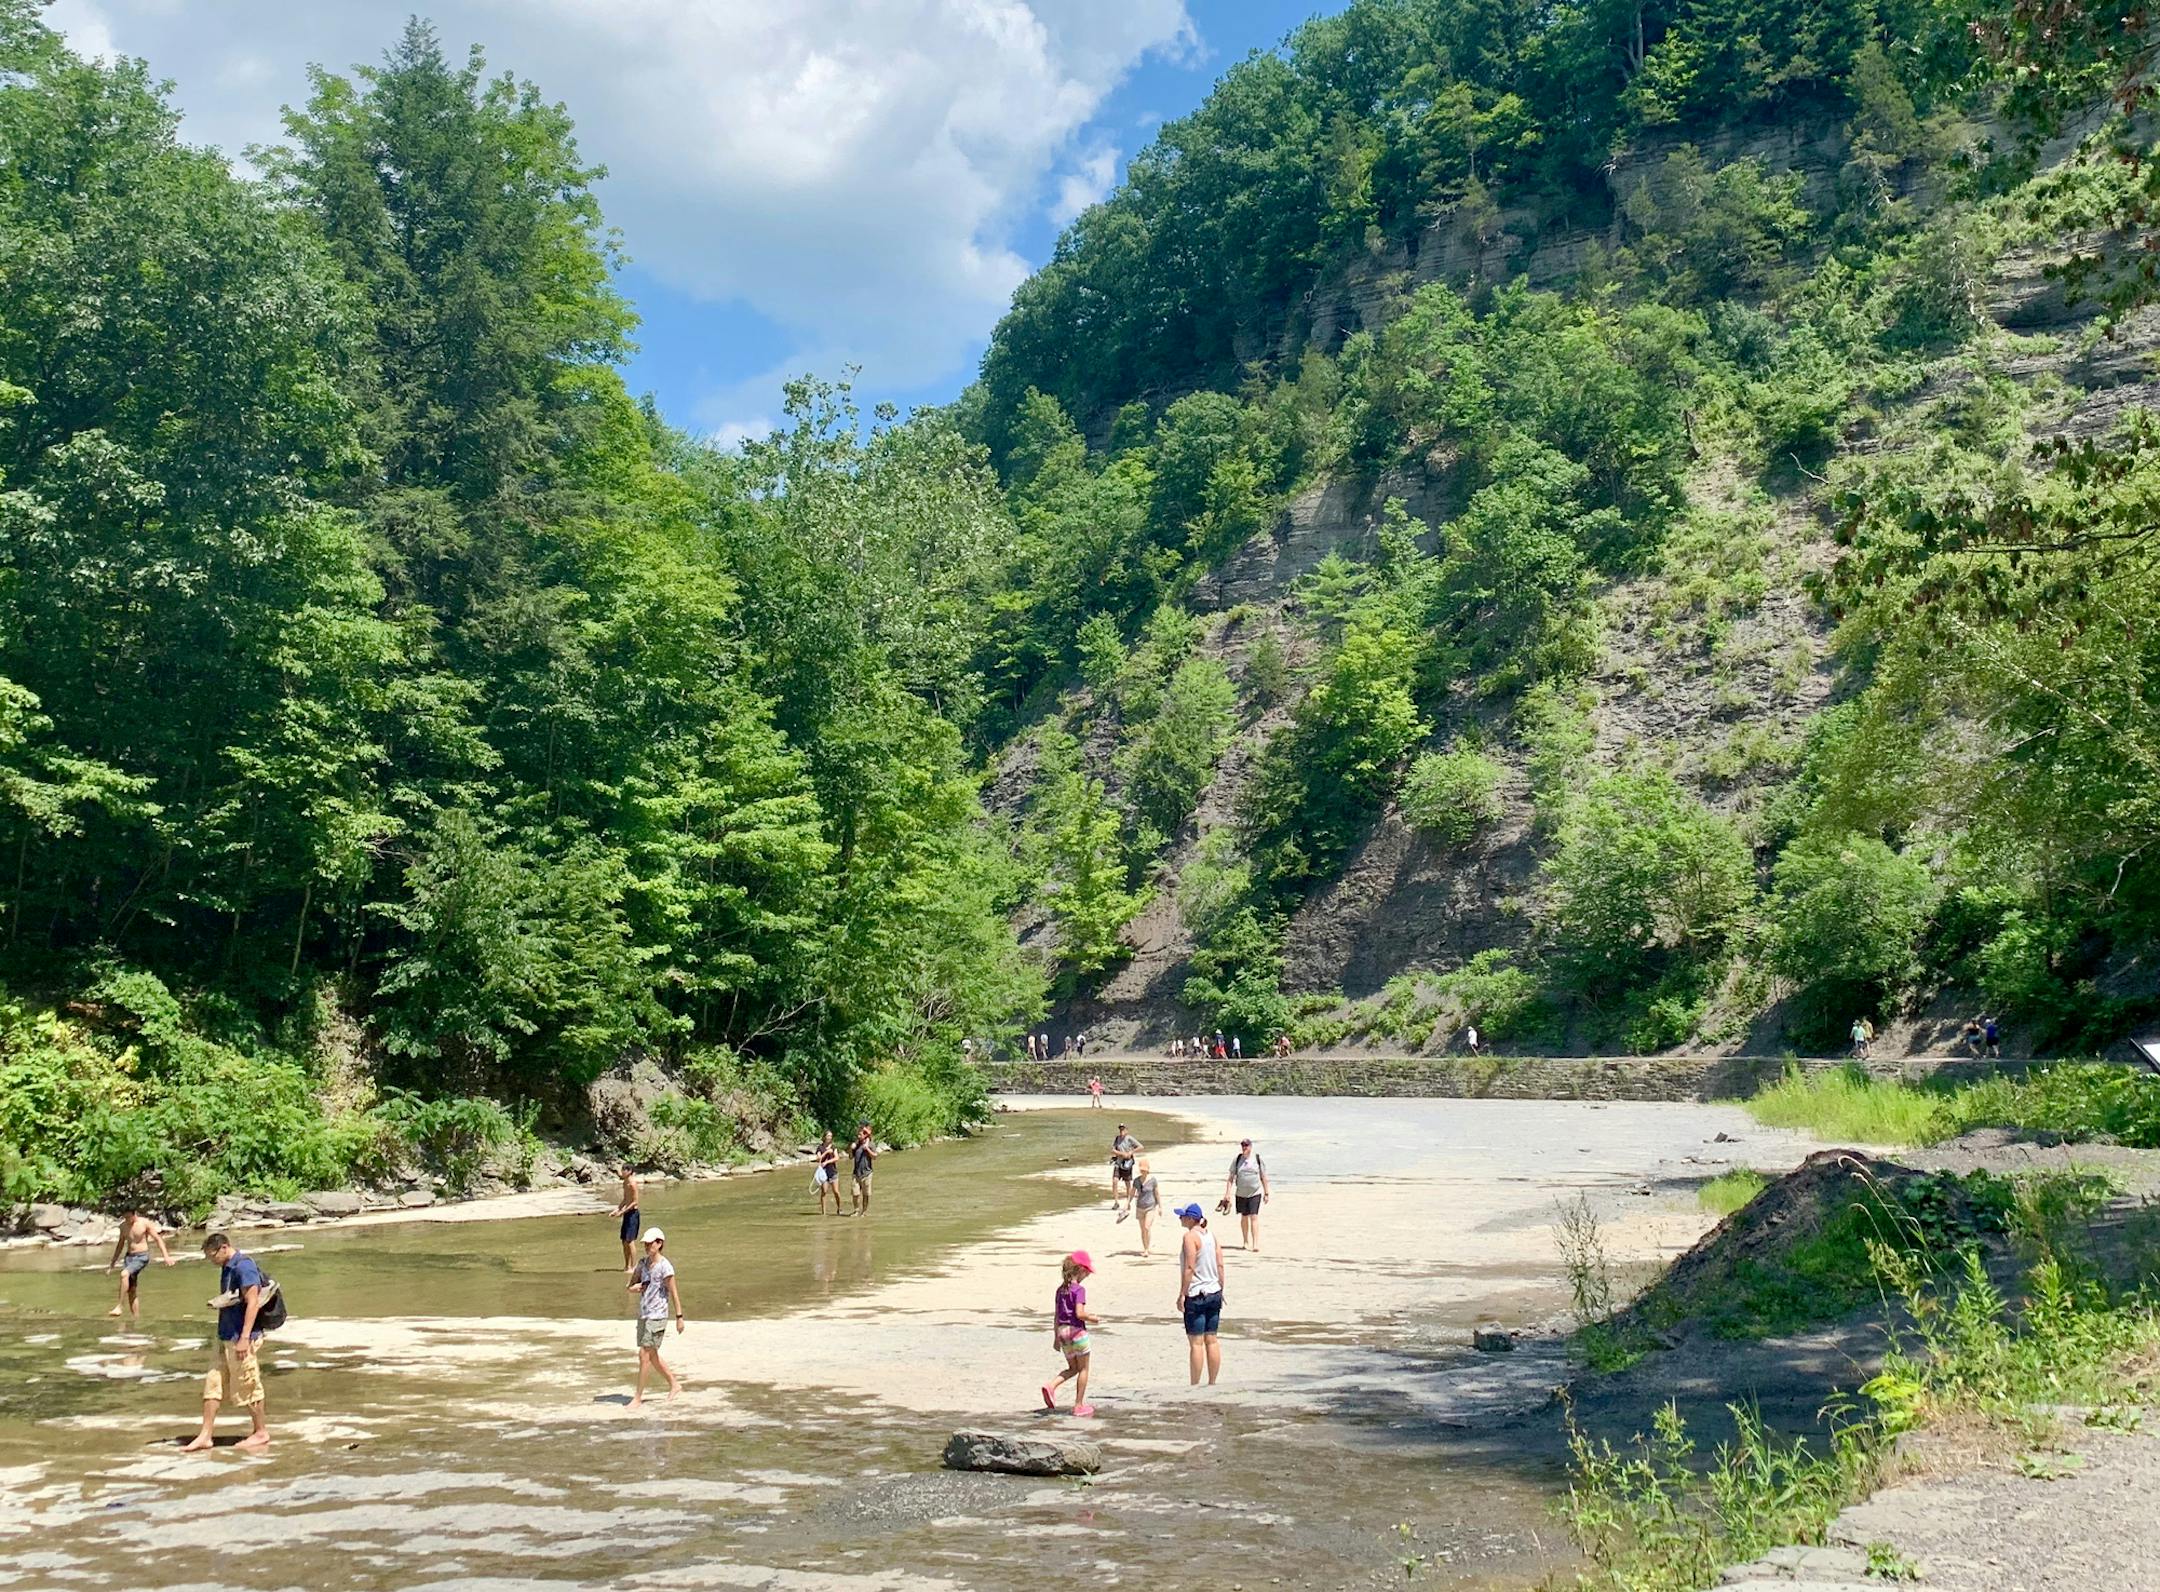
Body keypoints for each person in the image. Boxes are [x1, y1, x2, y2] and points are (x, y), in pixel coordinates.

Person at [183, 1233, 270, 1453]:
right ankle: (205, 1435)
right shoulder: (228, 1266)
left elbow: (253, 1303)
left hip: (242, 1337)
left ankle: (261, 1432)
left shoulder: (244, 1267)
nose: (211, 1260)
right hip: (225, 1334)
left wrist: (244, 1338)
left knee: (247, 1383)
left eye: (212, 1255)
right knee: (213, 1382)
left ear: (223, 1248)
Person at [627, 1228, 685, 1405]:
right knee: (651, 1356)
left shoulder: (665, 1266)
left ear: (659, 1244)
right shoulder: (643, 1264)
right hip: (644, 1314)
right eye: (645, 1243)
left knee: (644, 1354)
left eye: (650, 1243)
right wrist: (634, 1288)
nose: (646, 1246)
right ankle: (674, 1384)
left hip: (658, 1316)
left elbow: (674, 1292)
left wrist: (679, 1317)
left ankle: (637, 1397)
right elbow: (630, 1285)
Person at [1041, 1250, 1097, 1417]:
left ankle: (1051, 1386)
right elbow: (1079, 1313)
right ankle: (1079, 1405)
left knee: (1072, 1368)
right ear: (1080, 1270)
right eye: (1087, 1272)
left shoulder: (1060, 1290)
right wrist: (1092, 1317)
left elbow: (1057, 1315)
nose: (1087, 1275)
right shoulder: (1079, 1290)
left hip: (1063, 1332)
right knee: (1084, 1369)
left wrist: (1056, 1338)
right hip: (1077, 1332)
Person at [1174, 1204, 1224, 1386]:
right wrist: (1221, 1288)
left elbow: (1189, 1267)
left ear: (1190, 1219)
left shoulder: (1190, 1237)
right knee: (1212, 1339)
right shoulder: (1211, 1236)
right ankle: (1212, 1382)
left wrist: (1182, 1293)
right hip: (1214, 1291)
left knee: (1196, 1343)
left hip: (1197, 1293)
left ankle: (1194, 1384)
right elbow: (1220, 1265)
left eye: (1182, 1216)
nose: (1180, 1219)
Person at [107, 1209, 173, 1319]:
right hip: (129, 1257)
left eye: (129, 1217)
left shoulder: (144, 1223)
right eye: (125, 1218)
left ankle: (119, 1306)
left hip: (142, 1256)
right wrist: (112, 1263)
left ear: (134, 1214)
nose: (127, 1220)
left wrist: (166, 1256)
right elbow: (120, 1245)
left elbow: (158, 1239)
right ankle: (135, 1319)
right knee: (131, 1290)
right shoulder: (123, 1226)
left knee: (124, 1274)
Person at [1221, 1137, 1270, 1251]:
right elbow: (1230, 1178)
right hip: (1241, 1193)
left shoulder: (1257, 1159)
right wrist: (1227, 1194)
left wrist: (1266, 1193)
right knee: (1244, 1217)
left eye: (1246, 1146)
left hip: (1255, 1192)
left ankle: (1255, 1244)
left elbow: (1263, 1177)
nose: (1244, 1147)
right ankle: (1245, 1241)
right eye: (1243, 1145)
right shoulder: (1237, 1160)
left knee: (1254, 1216)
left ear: (1250, 1147)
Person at [611, 1164, 642, 1271]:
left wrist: (622, 1211)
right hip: (626, 1213)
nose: (622, 1172)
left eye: (624, 1170)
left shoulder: (633, 1184)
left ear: (629, 1171)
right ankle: (627, 1265)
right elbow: (625, 1199)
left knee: (630, 1240)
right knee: (624, 1240)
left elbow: (635, 1202)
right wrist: (617, 1209)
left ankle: (634, 1266)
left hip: (633, 1214)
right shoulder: (625, 1183)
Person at [1109, 1123, 1142, 1218]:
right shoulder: (1117, 1139)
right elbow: (1113, 1150)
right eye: (1120, 1129)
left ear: (1126, 1130)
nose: (1121, 1131)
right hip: (1118, 1163)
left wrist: (1131, 1152)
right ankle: (1116, 1202)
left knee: (1128, 1183)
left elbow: (1140, 1147)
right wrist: (1121, 1153)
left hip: (1127, 1164)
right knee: (1115, 1181)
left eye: (1123, 1129)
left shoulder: (1130, 1138)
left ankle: (1128, 1202)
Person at [1132, 1158, 1161, 1255]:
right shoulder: (1136, 1181)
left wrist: (1160, 1206)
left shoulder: (1153, 1180)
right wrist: (1127, 1203)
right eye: (1141, 1170)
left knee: (1147, 1227)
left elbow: (1157, 1193)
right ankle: (1145, 1248)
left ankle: (1147, 1249)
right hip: (1140, 1207)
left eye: (1144, 1170)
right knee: (1142, 1229)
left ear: (1148, 1169)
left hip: (1150, 1207)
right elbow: (1132, 1193)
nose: (1143, 1171)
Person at [813, 1130, 842, 1215]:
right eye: (828, 1136)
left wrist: (827, 1162)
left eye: (831, 1136)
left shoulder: (833, 1147)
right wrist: (826, 1152)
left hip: (833, 1172)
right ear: (824, 1137)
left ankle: (839, 1208)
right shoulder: (820, 1148)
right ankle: (823, 1212)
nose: (829, 1137)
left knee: (836, 1191)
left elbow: (837, 1158)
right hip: (823, 1173)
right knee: (824, 1192)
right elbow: (818, 1159)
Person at [850, 1123, 877, 1214]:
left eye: (860, 1134)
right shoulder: (856, 1144)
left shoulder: (871, 1144)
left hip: (867, 1173)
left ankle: (864, 1212)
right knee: (855, 1194)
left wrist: (867, 1149)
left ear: (865, 1135)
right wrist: (851, 1149)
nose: (858, 1136)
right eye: (858, 1134)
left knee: (866, 1195)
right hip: (856, 1173)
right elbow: (850, 1157)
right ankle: (856, 1210)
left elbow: (874, 1157)